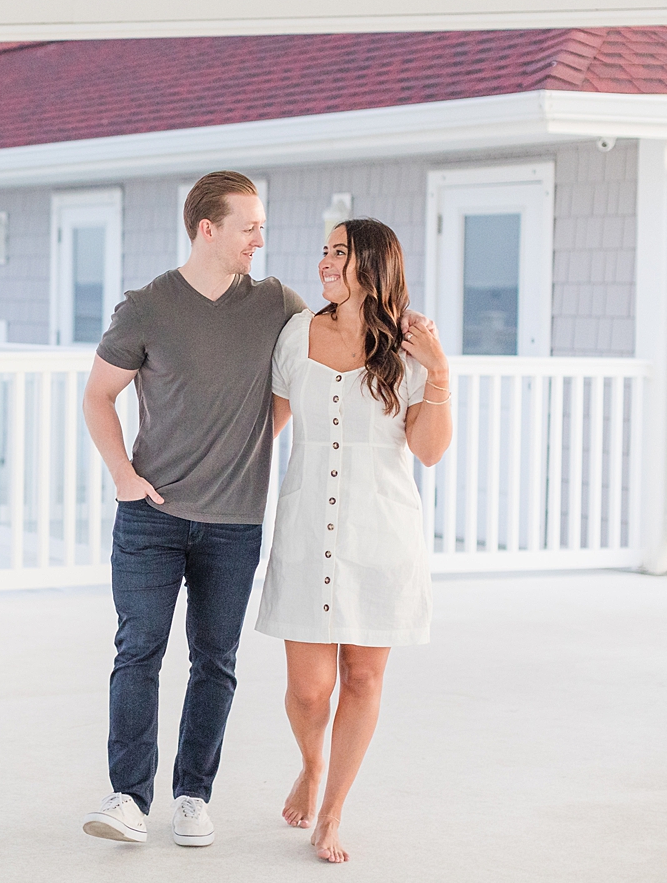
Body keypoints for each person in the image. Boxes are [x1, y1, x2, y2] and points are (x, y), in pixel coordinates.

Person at [79, 171, 306, 847]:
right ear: (207, 228)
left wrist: (249, 440)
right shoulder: (147, 307)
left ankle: (192, 796)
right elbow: (98, 397)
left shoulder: (277, 305)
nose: (260, 239)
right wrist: (122, 476)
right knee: (138, 650)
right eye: (249, 227)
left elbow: (295, 382)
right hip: (151, 515)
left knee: (216, 660)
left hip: (234, 522)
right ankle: (127, 797)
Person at [255, 218, 452, 863]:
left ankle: (333, 809)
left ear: (372, 263)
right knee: (310, 688)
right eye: (324, 251)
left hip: (381, 534)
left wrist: (440, 375)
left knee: (363, 679)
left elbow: (427, 451)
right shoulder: (297, 333)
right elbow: (269, 427)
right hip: (309, 528)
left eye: (339, 252)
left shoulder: (411, 344)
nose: (325, 263)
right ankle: (312, 764)